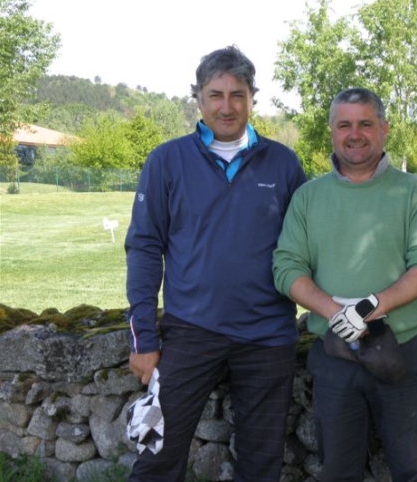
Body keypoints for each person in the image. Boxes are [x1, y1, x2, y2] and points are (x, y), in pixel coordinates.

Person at [125, 45, 307, 482]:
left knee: (261, 465)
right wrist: (143, 337)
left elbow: (306, 248)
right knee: (157, 456)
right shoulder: (166, 160)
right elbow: (145, 247)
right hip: (190, 332)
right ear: (199, 99)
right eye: (216, 94)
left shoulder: (283, 163)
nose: (227, 106)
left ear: (251, 97)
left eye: (237, 94)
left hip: (268, 336)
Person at [272, 87, 417, 482]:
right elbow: (286, 267)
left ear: (383, 129)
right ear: (331, 132)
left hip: (402, 352)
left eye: (366, 124)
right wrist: (335, 313)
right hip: (335, 357)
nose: (355, 134)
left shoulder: (413, 191)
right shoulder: (307, 197)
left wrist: (369, 306)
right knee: (339, 470)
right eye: (345, 125)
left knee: (413, 470)